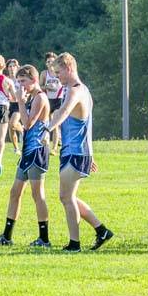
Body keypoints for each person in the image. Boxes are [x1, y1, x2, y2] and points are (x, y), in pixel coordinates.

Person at [44, 53, 113, 252]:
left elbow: (64, 112)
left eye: (59, 73)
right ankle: (101, 230)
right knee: (68, 197)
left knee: (66, 198)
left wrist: (48, 129)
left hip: (76, 152)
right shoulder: (78, 90)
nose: (57, 77)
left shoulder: (76, 91)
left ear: (68, 67)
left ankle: (75, 244)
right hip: (75, 152)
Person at [0, 65, 52, 248]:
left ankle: (44, 239)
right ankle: (6, 237)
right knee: (15, 192)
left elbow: (28, 124)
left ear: (34, 80)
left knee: (38, 195)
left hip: (37, 151)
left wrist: (21, 102)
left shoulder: (40, 98)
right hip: (27, 152)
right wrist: (22, 101)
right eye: (19, 81)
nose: (21, 85)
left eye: (23, 81)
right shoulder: (31, 97)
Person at [41, 53, 63, 148]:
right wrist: (47, 86)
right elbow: (39, 86)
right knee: (49, 121)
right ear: (46, 63)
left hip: (59, 99)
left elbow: (65, 83)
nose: (50, 63)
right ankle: (49, 143)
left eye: (52, 61)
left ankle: (54, 147)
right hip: (48, 100)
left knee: (55, 122)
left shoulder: (59, 72)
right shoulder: (44, 74)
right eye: (48, 62)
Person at [5, 59, 22, 154]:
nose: (12, 68)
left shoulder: (20, 79)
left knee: (12, 124)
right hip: (8, 104)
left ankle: (23, 131)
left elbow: (26, 89)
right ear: (7, 68)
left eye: (13, 66)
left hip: (18, 104)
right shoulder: (6, 80)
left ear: (17, 67)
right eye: (10, 66)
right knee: (10, 127)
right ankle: (16, 148)